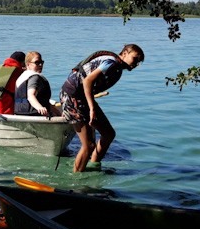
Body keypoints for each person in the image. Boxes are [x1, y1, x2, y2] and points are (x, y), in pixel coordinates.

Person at [60, 44, 144, 173]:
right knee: (88, 145)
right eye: (135, 59)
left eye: (139, 62)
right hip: (72, 97)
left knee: (109, 134)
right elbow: (87, 81)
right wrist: (92, 108)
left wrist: (91, 105)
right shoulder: (111, 63)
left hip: (83, 98)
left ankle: (94, 166)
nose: (136, 64)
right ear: (125, 53)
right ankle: (76, 179)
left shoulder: (115, 65)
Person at [14, 51, 58, 117]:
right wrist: (40, 108)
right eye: (37, 62)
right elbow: (31, 96)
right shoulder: (35, 77)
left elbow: (45, 101)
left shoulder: (22, 76)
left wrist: (58, 112)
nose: (40, 65)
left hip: (19, 112)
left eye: (42, 62)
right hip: (34, 114)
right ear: (28, 64)